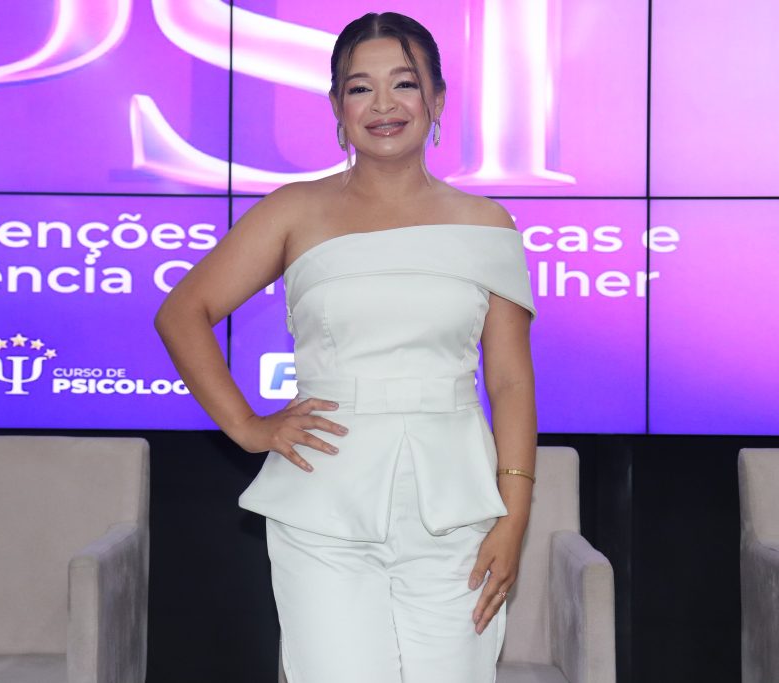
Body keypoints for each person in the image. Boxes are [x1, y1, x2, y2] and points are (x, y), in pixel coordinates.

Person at [154, 11, 537, 683]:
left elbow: (509, 381)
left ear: (437, 98)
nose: (384, 105)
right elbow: (183, 312)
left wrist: (514, 517)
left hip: (456, 507)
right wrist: (246, 426)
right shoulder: (294, 210)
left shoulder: (487, 223)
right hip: (323, 501)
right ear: (337, 106)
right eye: (361, 88)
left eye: (404, 84)